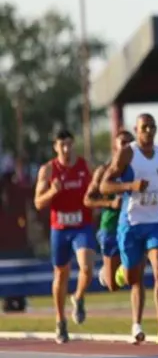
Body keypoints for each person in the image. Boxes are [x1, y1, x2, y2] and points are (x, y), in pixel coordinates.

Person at [99, 113, 158, 345]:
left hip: (157, 221)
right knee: (133, 277)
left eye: (152, 127)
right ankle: (124, 275)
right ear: (136, 130)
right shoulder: (127, 154)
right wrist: (130, 185)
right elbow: (105, 185)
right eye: (144, 127)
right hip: (131, 223)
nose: (148, 131)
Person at [33, 129, 97, 344]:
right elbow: (38, 202)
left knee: (87, 267)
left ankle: (78, 297)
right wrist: (53, 191)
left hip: (82, 225)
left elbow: (96, 190)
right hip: (60, 228)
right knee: (61, 274)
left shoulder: (85, 166)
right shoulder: (48, 170)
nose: (66, 149)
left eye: (69, 144)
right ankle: (60, 321)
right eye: (62, 145)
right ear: (56, 147)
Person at [83, 129, 135, 292]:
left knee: (135, 272)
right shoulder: (104, 171)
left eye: (130, 143)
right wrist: (110, 203)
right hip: (111, 226)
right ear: (115, 147)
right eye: (123, 143)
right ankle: (108, 272)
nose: (127, 146)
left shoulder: (139, 170)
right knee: (113, 286)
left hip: (133, 225)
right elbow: (87, 200)